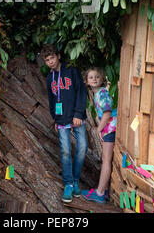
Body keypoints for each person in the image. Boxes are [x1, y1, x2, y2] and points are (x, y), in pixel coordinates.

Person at [41, 44, 88, 203]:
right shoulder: (49, 78)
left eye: (52, 58)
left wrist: (78, 113)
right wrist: (55, 118)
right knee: (66, 151)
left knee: (82, 148)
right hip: (61, 119)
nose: (50, 62)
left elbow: (82, 91)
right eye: (47, 60)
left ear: (58, 56)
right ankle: (69, 184)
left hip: (77, 117)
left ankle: (75, 180)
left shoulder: (71, 70)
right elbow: (52, 99)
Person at [81, 67, 117, 204]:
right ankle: (105, 190)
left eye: (97, 76)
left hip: (110, 128)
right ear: (87, 81)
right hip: (109, 128)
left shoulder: (102, 93)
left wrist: (98, 129)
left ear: (102, 79)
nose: (94, 79)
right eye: (91, 77)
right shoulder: (97, 94)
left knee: (106, 160)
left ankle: (100, 193)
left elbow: (107, 113)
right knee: (106, 159)